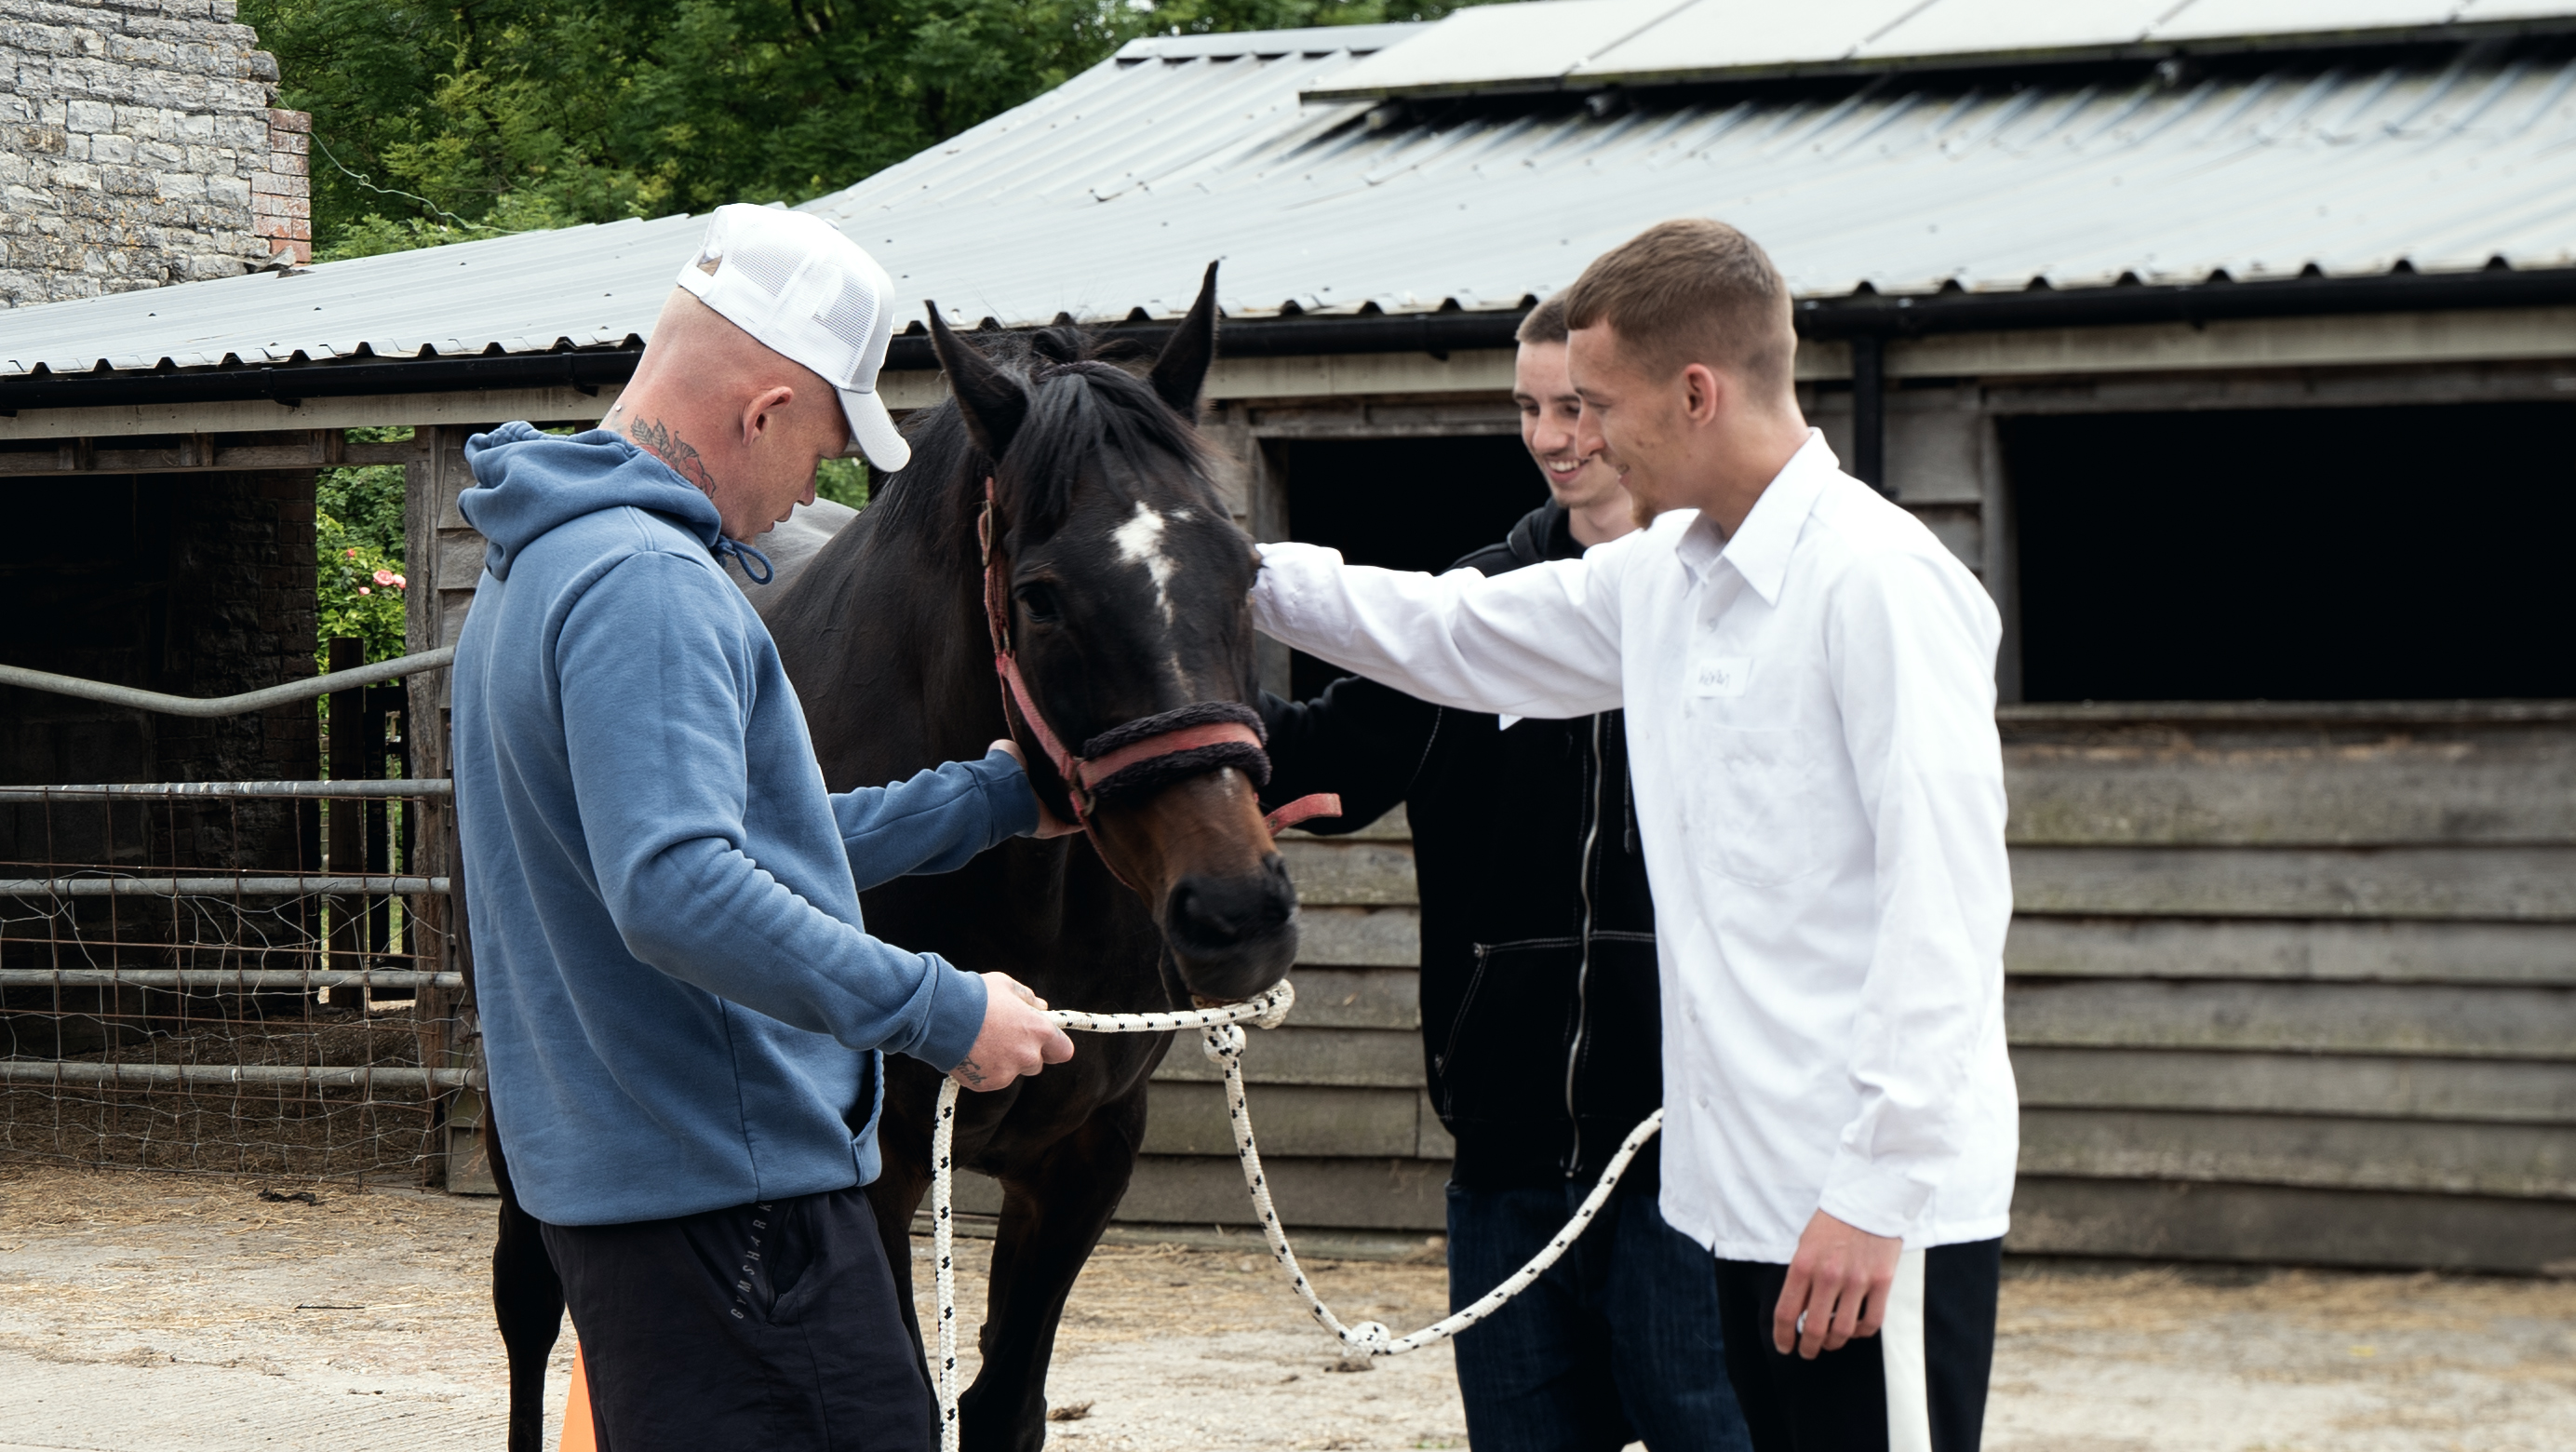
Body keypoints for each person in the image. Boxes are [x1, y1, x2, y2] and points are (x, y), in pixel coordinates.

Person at [1249, 219, 2017, 1452]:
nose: (1578, 438)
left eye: (1598, 403)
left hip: (1865, 1212)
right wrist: (1219, 562)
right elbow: (1448, 634)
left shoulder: (1877, 581)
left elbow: (1946, 910)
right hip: (1732, 1202)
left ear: (1697, 392)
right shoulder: (1669, 576)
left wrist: (1876, 1195)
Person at [449, 203, 1076, 1450]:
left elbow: (740, 847)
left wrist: (988, 797)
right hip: (734, 1206)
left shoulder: (541, 562)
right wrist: (944, 1011)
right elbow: (678, 886)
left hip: (638, 1193)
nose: (817, 490)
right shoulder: (648, 585)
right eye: (829, 447)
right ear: (764, 410)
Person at [1257, 292, 1751, 1452]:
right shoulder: (1466, 611)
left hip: (1696, 1157)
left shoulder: (1734, 609)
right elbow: (1318, 759)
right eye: (1528, 407)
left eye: (1577, 406)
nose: (1552, 436)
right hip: (1506, 1161)